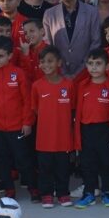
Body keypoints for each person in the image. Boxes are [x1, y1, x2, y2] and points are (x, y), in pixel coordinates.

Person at [0, 36, 38, 202]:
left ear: (9, 56)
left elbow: (27, 100)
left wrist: (27, 122)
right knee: (2, 160)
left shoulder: (19, 74)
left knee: (23, 160)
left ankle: (33, 187)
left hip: (17, 126)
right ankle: (9, 188)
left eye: (1, 56)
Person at [30, 46, 75, 208]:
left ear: (59, 63)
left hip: (63, 139)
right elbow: (35, 108)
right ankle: (47, 194)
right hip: (44, 139)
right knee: (45, 169)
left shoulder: (68, 85)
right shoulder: (37, 86)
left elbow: (72, 109)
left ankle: (63, 194)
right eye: (42, 62)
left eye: (50, 61)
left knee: (63, 169)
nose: (46, 65)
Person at [74, 49, 109, 208]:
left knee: (106, 163)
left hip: (106, 130)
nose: (94, 68)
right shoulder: (82, 86)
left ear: (107, 66)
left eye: (98, 64)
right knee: (88, 163)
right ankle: (89, 192)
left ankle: (107, 192)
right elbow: (78, 111)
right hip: (87, 130)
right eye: (90, 64)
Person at [43, 0, 102, 79]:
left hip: (86, 74)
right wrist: (62, 71)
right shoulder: (49, 14)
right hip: (59, 75)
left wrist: (80, 71)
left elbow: (95, 44)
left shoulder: (92, 12)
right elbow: (48, 46)